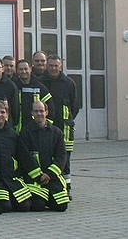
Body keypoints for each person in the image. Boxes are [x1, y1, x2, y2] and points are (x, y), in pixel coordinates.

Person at [38, 54, 78, 197]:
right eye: (51, 65)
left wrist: (66, 120)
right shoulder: (40, 81)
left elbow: (75, 107)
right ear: (46, 66)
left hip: (64, 129)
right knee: (47, 157)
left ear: (60, 66)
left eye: (56, 65)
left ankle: (66, 189)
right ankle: (49, 187)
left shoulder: (69, 83)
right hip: (45, 128)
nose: (53, 68)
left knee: (64, 159)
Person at [19, 101, 69, 212]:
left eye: (41, 111)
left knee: (61, 207)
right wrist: (39, 176)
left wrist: (49, 174)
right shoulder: (25, 133)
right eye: (36, 111)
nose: (39, 114)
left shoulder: (57, 133)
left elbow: (61, 156)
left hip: (52, 177)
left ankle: (49, 199)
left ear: (46, 112)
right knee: (38, 206)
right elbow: (25, 158)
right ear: (32, 113)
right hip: (34, 178)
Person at [12, 59, 49, 133]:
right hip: (17, 130)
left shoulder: (40, 87)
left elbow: (50, 109)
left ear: (30, 69)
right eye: (21, 69)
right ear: (17, 71)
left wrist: (45, 126)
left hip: (36, 130)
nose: (24, 71)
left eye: (26, 69)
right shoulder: (13, 86)